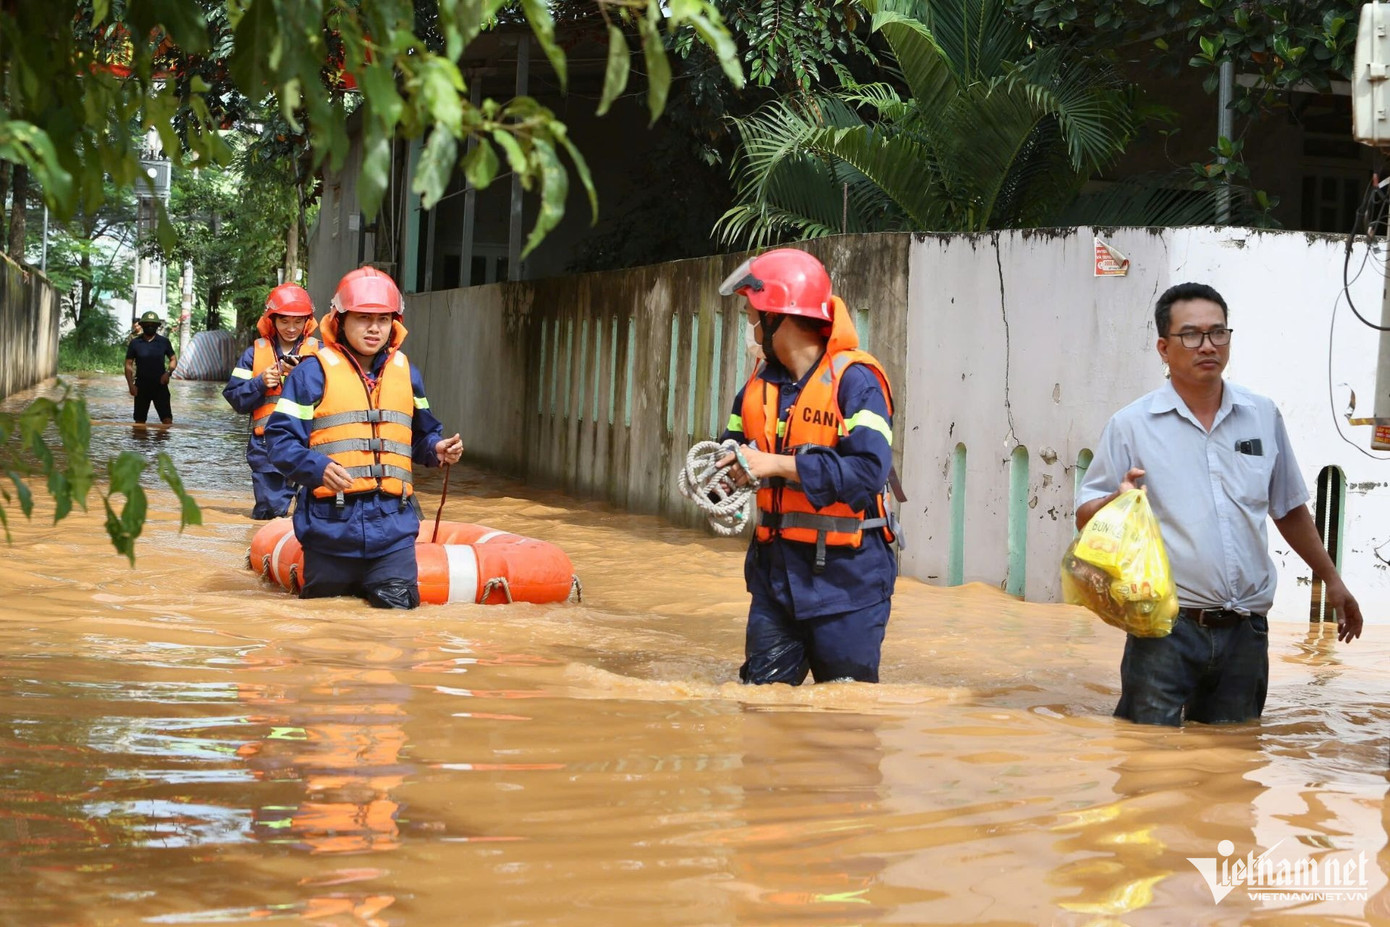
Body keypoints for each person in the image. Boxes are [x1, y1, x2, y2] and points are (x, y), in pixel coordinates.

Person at [1075, 282, 1364, 726]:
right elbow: (1084, 517)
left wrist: (1332, 582)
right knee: (1147, 765)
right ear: (1163, 348)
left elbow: (1287, 508)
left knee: (1235, 767)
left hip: (1246, 632)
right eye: (1190, 335)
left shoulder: (1261, 414)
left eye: (1218, 333)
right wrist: (1117, 500)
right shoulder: (1132, 425)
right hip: (1163, 629)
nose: (1207, 345)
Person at [716, 248, 900, 685]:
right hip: (775, 582)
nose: (750, 326)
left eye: (753, 314)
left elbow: (868, 473)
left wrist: (777, 465)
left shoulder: (857, 381)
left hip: (847, 585)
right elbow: (731, 452)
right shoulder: (756, 388)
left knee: (843, 726)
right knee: (759, 711)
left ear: (779, 317)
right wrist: (723, 476)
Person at [263, 267, 464, 609]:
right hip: (329, 533)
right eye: (363, 318)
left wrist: (437, 448)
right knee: (324, 628)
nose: (374, 328)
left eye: (383, 319)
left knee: (395, 630)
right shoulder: (311, 373)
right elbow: (280, 441)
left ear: (393, 323)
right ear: (340, 319)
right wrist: (317, 467)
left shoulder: (407, 374)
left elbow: (420, 436)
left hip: (393, 533)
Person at [223, 283, 322, 519]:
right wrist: (260, 382)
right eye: (284, 321)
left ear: (307, 321)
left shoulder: (320, 353)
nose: (291, 328)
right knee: (270, 514)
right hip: (266, 450)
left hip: (310, 447)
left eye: (298, 321)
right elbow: (235, 399)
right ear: (273, 320)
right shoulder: (253, 354)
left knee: (313, 516)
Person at [125, 310, 178, 424]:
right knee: (139, 423)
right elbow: (128, 364)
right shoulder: (135, 343)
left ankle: (162, 442)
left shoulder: (164, 342)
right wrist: (130, 385)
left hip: (160, 386)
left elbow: (173, 359)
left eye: (153, 325)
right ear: (142, 325)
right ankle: (140, 442)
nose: (150, 327)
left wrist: (168, 373)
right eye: (147, 325)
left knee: (167, 421)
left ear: (157, 326)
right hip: (141, 387)